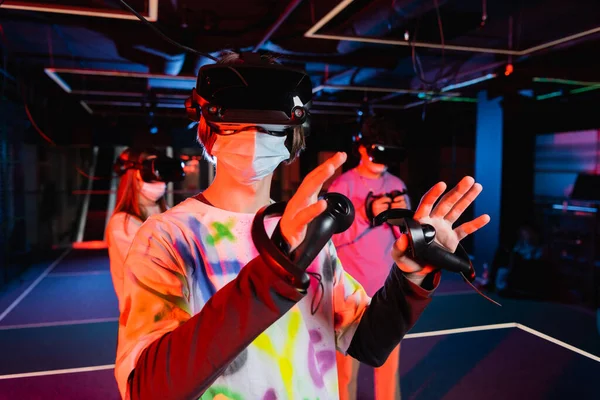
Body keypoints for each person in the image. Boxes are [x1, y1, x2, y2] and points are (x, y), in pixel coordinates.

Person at [114, 51, 490, 400]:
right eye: (237, 121)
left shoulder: (309, 228)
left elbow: (365, 341)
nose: (253, 135)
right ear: (208, 128)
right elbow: (147, 389)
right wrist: (277, 267)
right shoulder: (167, 237)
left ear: (292, 138)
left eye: (268, 123)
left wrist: (411, 277)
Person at [328, 116, 410, 400]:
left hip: (388, 287)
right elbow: (331, 239)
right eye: (377, 150)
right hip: (349, 289)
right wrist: (365, 215)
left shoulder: (397, 183)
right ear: (361, 148)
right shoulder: (343, 185)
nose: (381, 159)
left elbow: (405, 240)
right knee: (345, 366)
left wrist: (403, 221)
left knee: (387, 361)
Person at [105, 148, 168, 313]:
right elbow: (153, 271)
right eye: (149, 171)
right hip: (142, 320)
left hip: (173, 316)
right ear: (134, 177)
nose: (157, 179)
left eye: (159, 170)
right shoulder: (122, 224)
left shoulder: (167, 212)